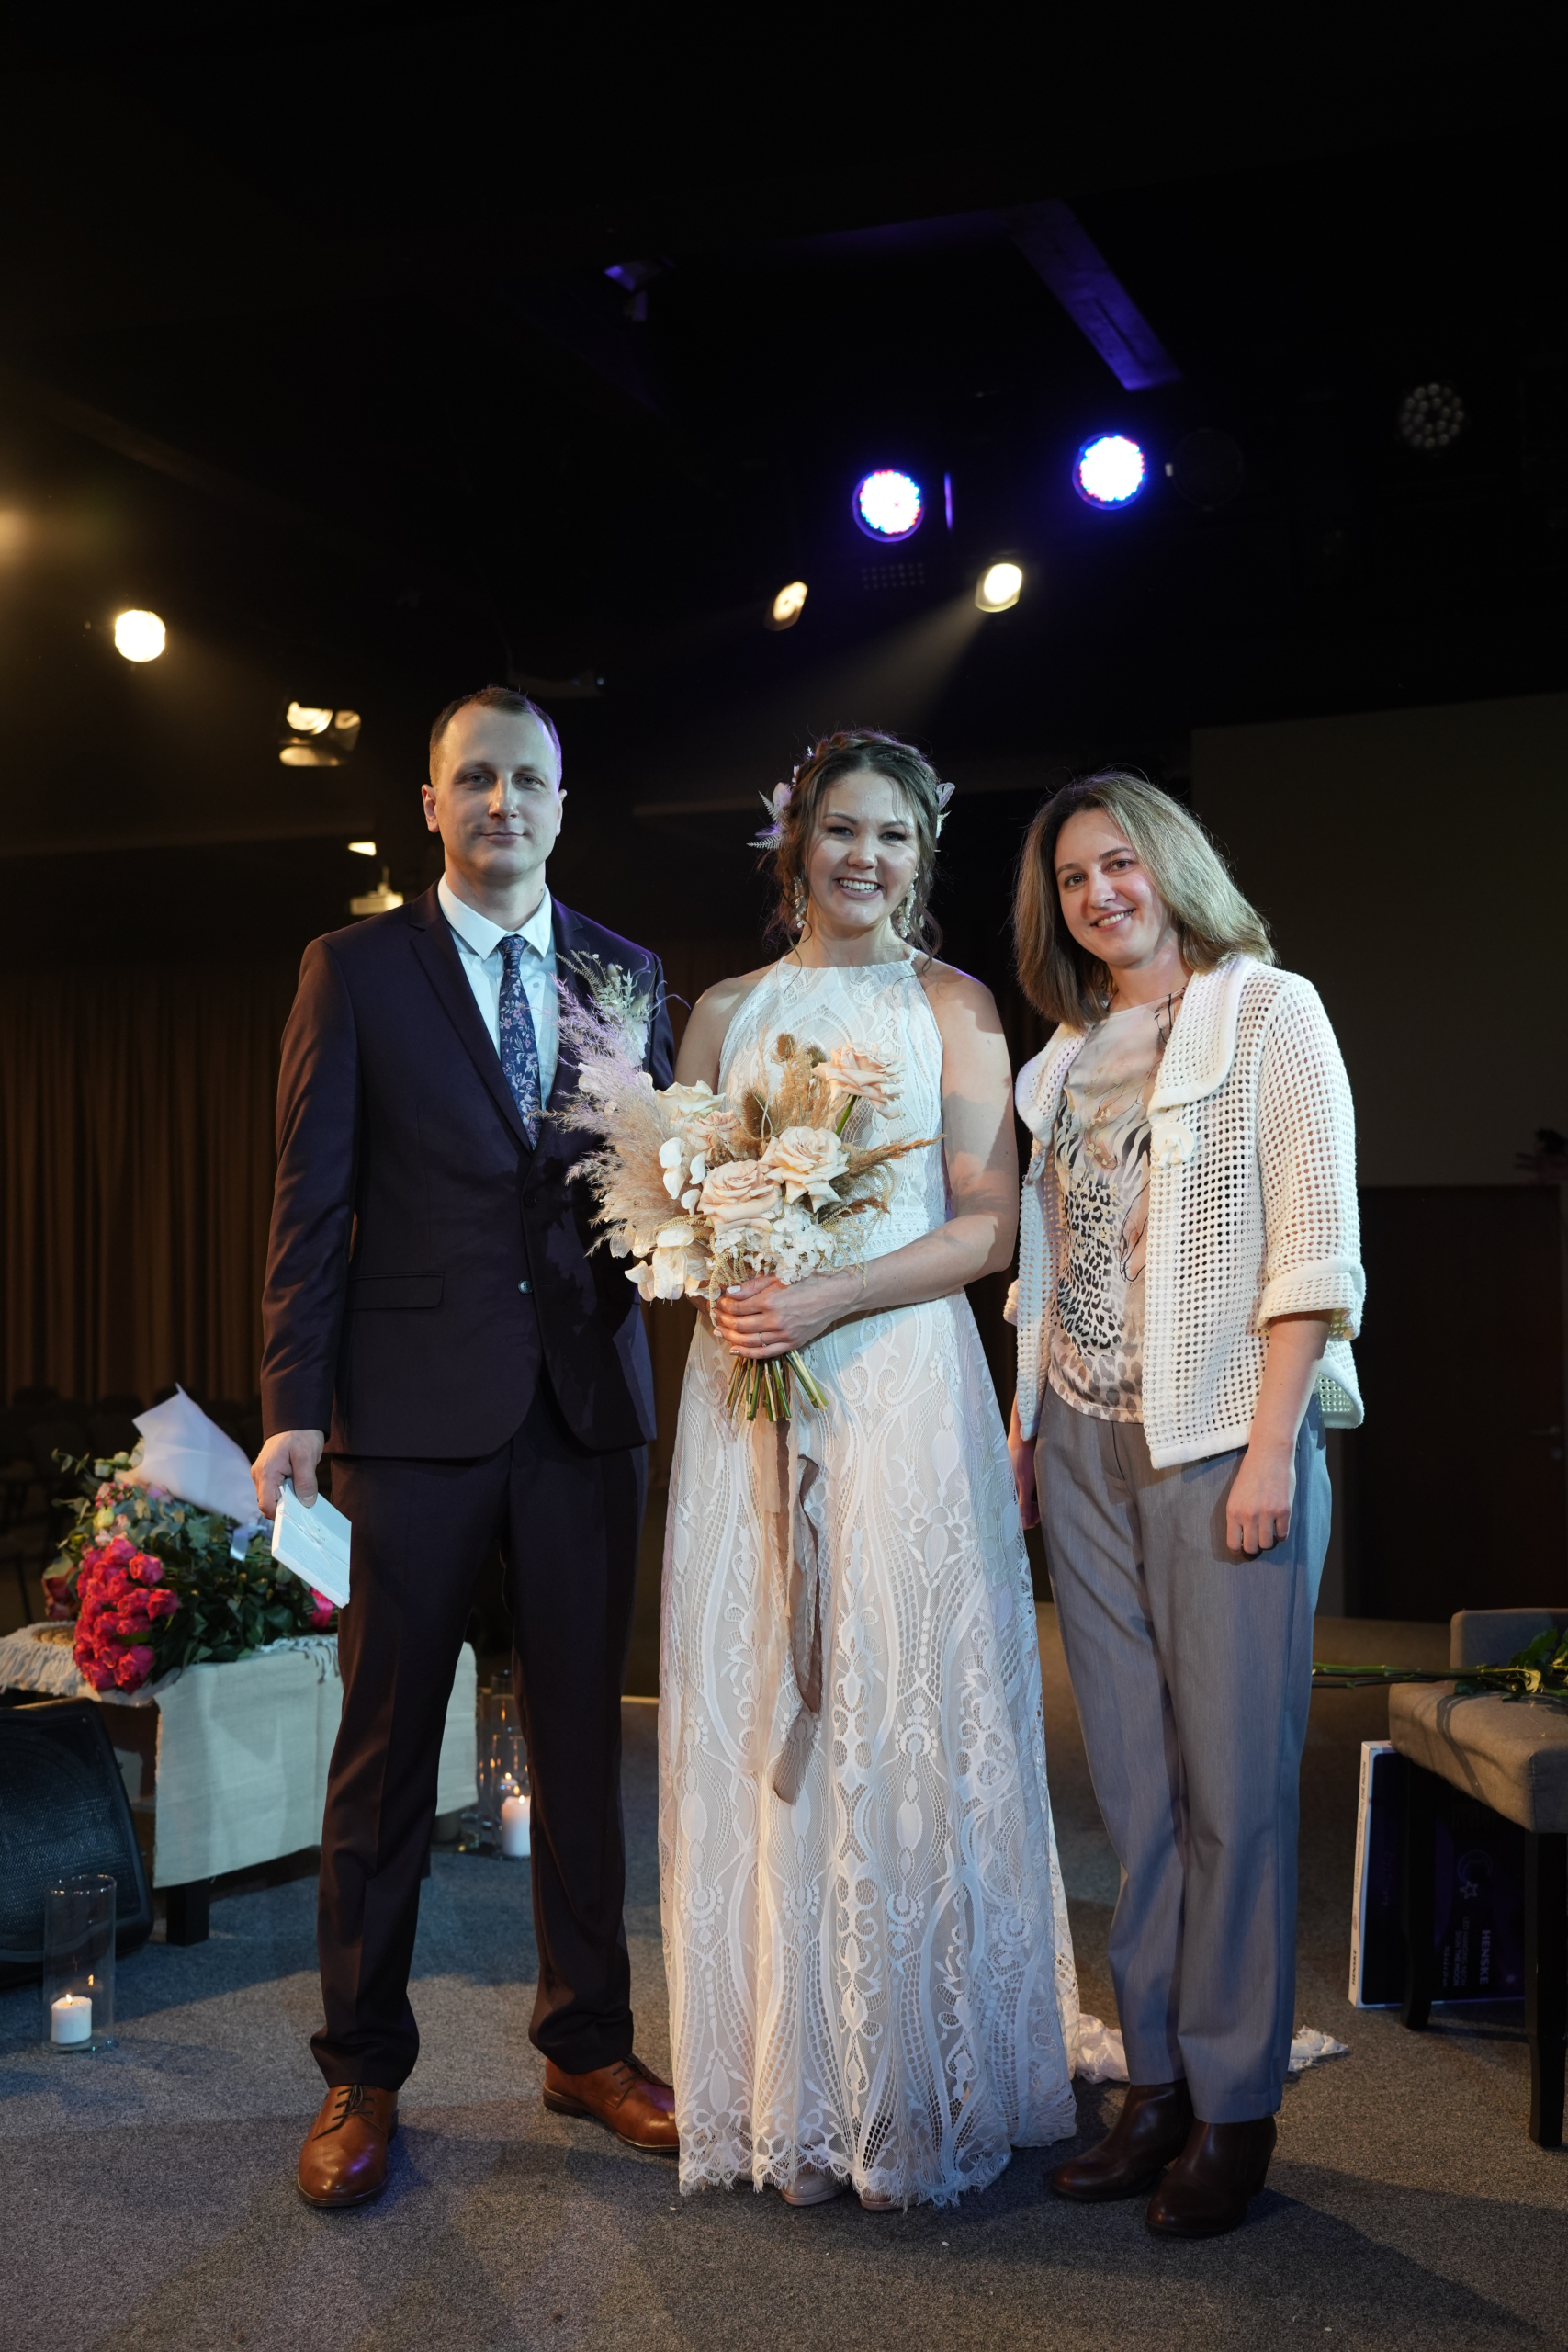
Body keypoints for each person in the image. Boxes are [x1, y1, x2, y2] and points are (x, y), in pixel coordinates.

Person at [253, 685, 678, 2211]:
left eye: (529, 781)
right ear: (431, 803)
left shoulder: (626, 973)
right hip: (407, 1416)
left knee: (580, 1745)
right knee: (382, 1761)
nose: (505, 804)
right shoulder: (353, 969)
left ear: (562, 803)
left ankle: (588, 2045)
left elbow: (647, 1191)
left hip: (583, 1412)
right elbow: (311, 1200)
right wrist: (293, 1402)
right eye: (476, 779)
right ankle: (361, 2073)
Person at [660, 729, 1079, 2211]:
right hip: (746, 1389)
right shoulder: (725, 1011)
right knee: (762, 1684)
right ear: (798, 844)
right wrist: (726, 1269)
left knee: (899, 1688)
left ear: (923, 855)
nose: (867, 857)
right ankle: (785, 2076)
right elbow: (679, 1195)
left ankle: (914, 2068)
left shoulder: (952, 1005)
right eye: (843, 829)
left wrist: (829, 1293)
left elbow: (986, 1228)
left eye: (894, 835)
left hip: (898, 1378)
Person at [1007, 770, 1363, 2238]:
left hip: (1222, 1442)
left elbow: (1314, 1247)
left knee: (1233, 1792)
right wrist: (1026, 1426)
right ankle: (1150, 2085)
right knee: (1135, 1796)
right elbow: (1044, 1264)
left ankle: (1232, 2106)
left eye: (1120, 863)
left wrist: (1274, 1451)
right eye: (1072, 878)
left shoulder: (1269, 1012)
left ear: (1171, 866)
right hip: (1084, 1443)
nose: (1100, 893)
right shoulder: (1059, 1061)